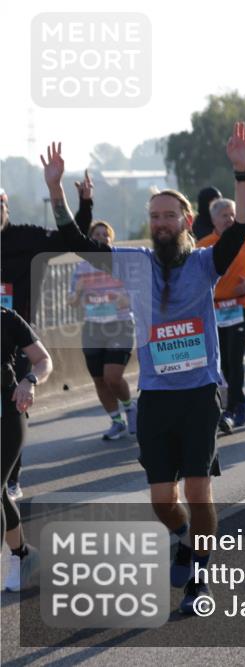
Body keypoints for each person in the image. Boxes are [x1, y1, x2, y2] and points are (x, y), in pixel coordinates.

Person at [42, 121, 245, 614]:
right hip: (157, 396)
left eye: (169, 215)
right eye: (154, 216)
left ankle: (199, 575)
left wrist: (242, 173)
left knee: (199, 490)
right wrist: (56, 190)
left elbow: (242, 228)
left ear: (186, 220)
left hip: (199, 393)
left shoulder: (205, 262)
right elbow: (76, 241)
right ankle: (183, 537)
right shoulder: (133, 263)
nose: (161, 223)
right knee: (163, 500)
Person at [1, 174, 93, 499]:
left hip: (17, 337)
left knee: (12, 405)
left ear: (6, 208)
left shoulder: (26, 237)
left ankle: (11, 478)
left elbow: (71, 239)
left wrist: (84, 205)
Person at [196, 197, 245, 431]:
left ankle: (233, 408)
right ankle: (239, 400)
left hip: (241, 306)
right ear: (213, 219)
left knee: (235, 358)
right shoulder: (203, 245)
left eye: (233, 215)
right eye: (224, 215)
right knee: (222, 360)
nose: (230, 219)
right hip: (214, 309)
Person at [67, 220, 137, 440]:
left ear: (111, 239)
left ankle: (130, 407)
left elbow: (138, 293)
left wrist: (127, 299)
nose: (101, 238)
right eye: (96, 235)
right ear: (90, 239)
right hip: (93, 328)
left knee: (112, 377)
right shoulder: (82, 268)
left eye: (105, 235)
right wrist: (78, 293)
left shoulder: (122, 265)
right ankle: (116, 421)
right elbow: (72, 302)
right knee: (99, 379)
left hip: (120, 325)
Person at [2, 307, 53, 591]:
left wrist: (29, 380)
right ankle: (23, 555)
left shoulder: (7, 318)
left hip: (7, 417)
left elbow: (43, 360)